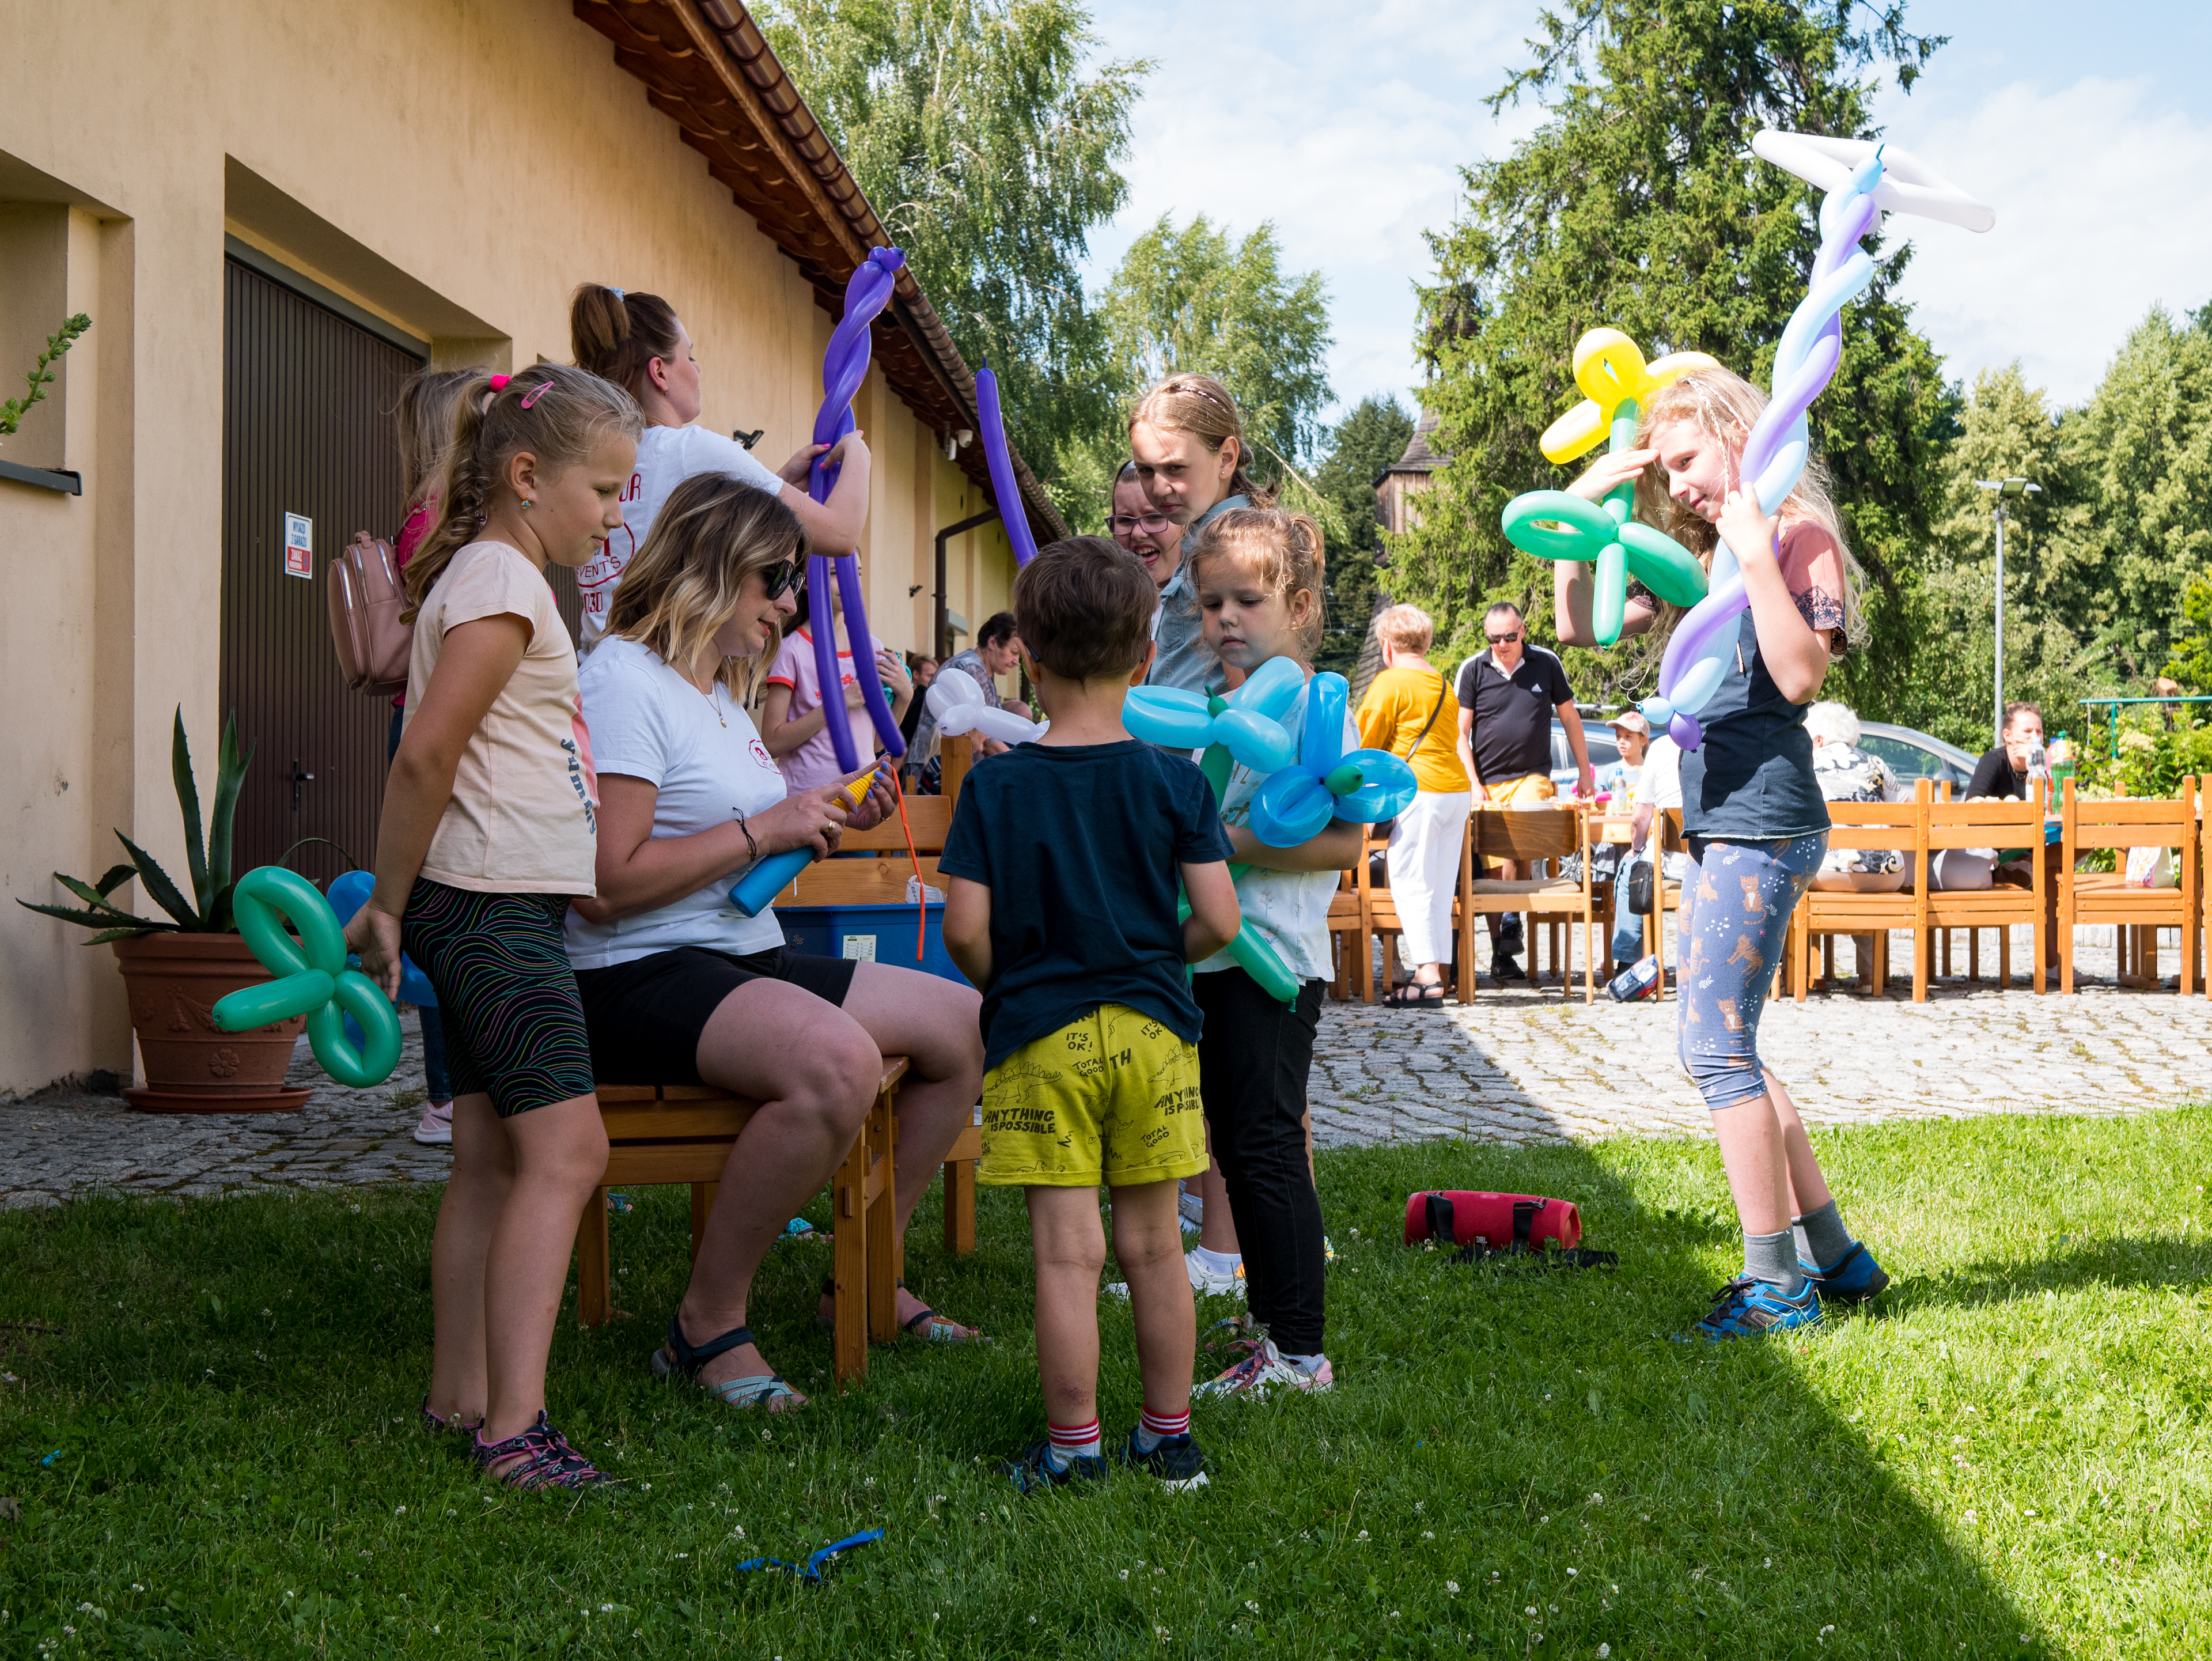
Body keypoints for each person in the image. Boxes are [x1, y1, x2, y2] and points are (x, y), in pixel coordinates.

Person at [565, 472, 986, 1414]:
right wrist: (771, 827)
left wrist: (822, 819)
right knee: (838, 1064)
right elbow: (601, 886)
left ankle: (866, 1275)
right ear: (709, 567)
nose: (788, 601)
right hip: (633, 971)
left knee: (963, 1023)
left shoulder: (718, 695)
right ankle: (705, 1324)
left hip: (734, 953)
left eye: (792, 581)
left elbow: (736, 859)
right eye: (773, 579)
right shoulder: (622, 679)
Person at [345, 365, 643, 1489]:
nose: (616, 515)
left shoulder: (498, 574)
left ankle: (459, 1394)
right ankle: (516, 1431)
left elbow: (503, 755)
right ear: (528, 477)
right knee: (571, 1150)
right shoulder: (504, 584)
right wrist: (384, 900)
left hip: (493, 895)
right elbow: (427, 750)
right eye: (605, 491)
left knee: (485, 1155)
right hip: (486, 909)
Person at [1552, 363, 1890, 1338]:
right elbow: (1584, 624)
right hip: (1719, 824)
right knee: (1733, 1043)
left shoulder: (1792, 541)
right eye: (1668, 468)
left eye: (1689, 458)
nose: (1681, 484)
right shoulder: (1700, 557)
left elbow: (1796, 675)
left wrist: (1753, 555)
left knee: (1713, 1046)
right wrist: (1584, 516)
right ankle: (1836, 1258)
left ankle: (1776, 1286)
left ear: (1744, 432)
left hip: (1765, 821)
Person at [940, 536, 1240, 1491]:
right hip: (1156, 1034)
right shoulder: (1176, 781)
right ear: (1146, 659)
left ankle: (1075, 1450)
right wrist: (1158, 957)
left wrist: (1008, 976)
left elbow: (964, 931)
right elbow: (1220, 920)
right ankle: (1169, 1437)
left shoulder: (995, 783)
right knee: (1156, 1244)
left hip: (1040, 1037)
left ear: (1026, 652)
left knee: (1067, 1255)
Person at [1184, 508, 1365, 1398]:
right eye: (1209, 600)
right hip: (1214, 957)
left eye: (1246, 600)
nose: (1224, 618)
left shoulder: (1312, 703)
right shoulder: (1217, 708)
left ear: (1296, 603)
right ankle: (1269, 1330)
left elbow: (1345, 839)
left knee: (1264, 1143)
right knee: (1236, 1140)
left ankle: (1300, 1352)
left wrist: (1228, 842)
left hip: (1275, 961)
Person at [568, 283, 870, 650]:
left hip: (594, 666)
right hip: (656, 666)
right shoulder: (691, 449)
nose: (697, 371)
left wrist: (775, 484)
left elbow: (677, 517)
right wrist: (858, 453)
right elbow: (840, 535)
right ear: (660, 372)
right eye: (690, 357)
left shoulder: (601, 453)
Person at [387, 366, 478, 1147]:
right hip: (436, 723)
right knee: (449, 902)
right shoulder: (438, 522)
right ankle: (447, 1096)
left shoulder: (434, 517)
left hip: (433, 719)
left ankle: (454, 1092)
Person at [1454, 600, 1593, 981]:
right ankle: (1503, 949)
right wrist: (1473, 784)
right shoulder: (1473, 669)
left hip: (1533, 776)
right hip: (1489, 782)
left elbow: (1570, 719)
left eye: (1509, 637)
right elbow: (1459, 734)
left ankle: (1514, 918)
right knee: (1496, 867)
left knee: (1523, 831)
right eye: (1494, 638)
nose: (1502, 644)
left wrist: (1585, 773)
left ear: (1524, 631)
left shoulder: (1546, 663)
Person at [1129, 373, 1266, 694]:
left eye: (1175, 468)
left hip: (1199, 744)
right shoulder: (1207, 535)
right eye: (1146, 470)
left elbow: (1244, 691)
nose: (1159, 487)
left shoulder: (1231, 546)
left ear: (1226, 459)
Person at [1356, 604, 1465, 1005]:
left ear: (1387, 646)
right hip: (1456, 790)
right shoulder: (1443, 684)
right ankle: (1438, 969)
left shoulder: (1390, 682)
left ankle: (1427, 974)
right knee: (1438, 885)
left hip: (1418, 792)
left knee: (1410, 882)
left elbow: (1364, 745)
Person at [759, 567, 915, 789]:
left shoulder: (873, 649)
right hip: (807, 800)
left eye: (856, 572)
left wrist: (905, 696)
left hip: (862, 798)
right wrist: (838, 704)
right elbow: (772, 743)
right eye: (834, 573)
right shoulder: (791, 650)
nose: (847, 579)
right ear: (806, 582)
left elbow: (874, 744)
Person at [1964, 701, 2062, 972]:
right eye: (2028, 732)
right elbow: (1973, 813)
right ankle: (2053, 967)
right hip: (1992, 860)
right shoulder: (1993, 762)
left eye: (2039, 733)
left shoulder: (2043, 768)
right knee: (2051, 874)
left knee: (2063, 858)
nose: (2035, 739)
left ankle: (2053, 966)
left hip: (2030, 852)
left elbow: (2053, 808)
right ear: (2008, 736)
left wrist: (2039, 769)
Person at [911, 612, 1024, 782]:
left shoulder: (976, 667)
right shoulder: (973, 669)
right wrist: (1024, 766)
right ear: (992, 642)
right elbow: (987, 737)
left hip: (937, 768)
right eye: (1014, 652)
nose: (1017, 661)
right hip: (938, 775)